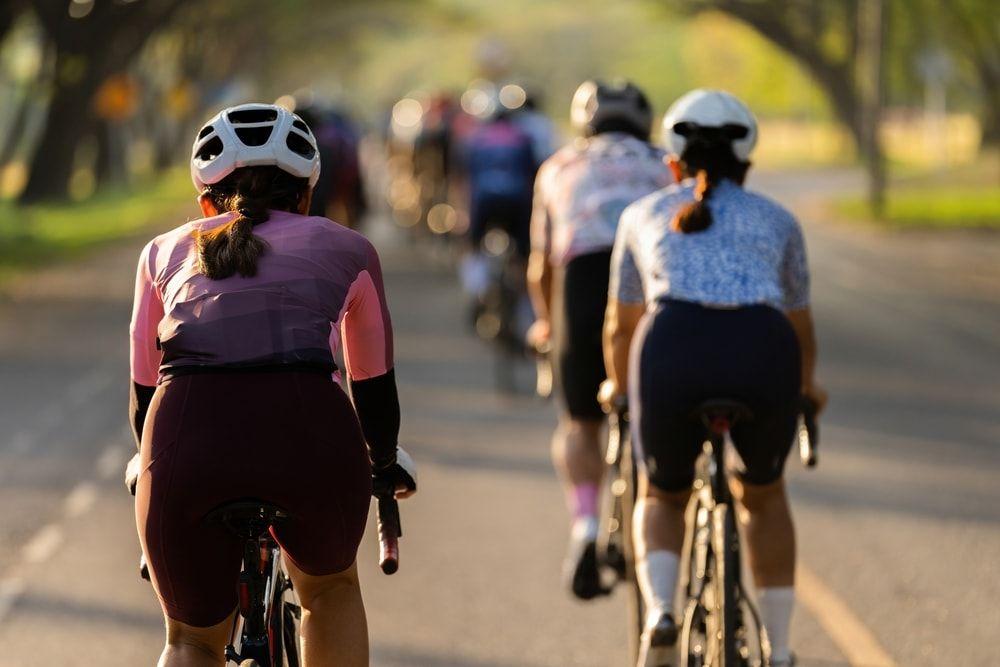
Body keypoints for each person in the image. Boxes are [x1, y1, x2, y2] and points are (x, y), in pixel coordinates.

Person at [129, 103, 417, 667]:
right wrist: (382, 460)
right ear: (307, 196)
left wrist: (148, 465)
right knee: (330, 592)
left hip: (187, 440)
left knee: (188, 639)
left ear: (204, 199)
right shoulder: (350, 248)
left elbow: (144, 391)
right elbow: (373, 381)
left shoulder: (161, 252)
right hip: (309, 435)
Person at [601, 89, 826, 667]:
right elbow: (799, 327)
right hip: (763, 350)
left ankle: (660, 615)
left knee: (665, 493)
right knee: (765, 493)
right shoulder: (779, 219)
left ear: (673, 162)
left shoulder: (641, 215)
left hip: (672, 349)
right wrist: (809, 389)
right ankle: (779, 649)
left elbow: (620, 328)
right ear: (747, 163)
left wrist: (616, 388)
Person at [525, 79, 671, 600]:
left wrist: (546, 322)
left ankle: (586, 524)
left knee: (580, 423)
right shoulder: (666, 161)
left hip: (582, 286)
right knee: (655, 415)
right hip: (650, 285)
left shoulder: (559, 167)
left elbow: (541, 263)